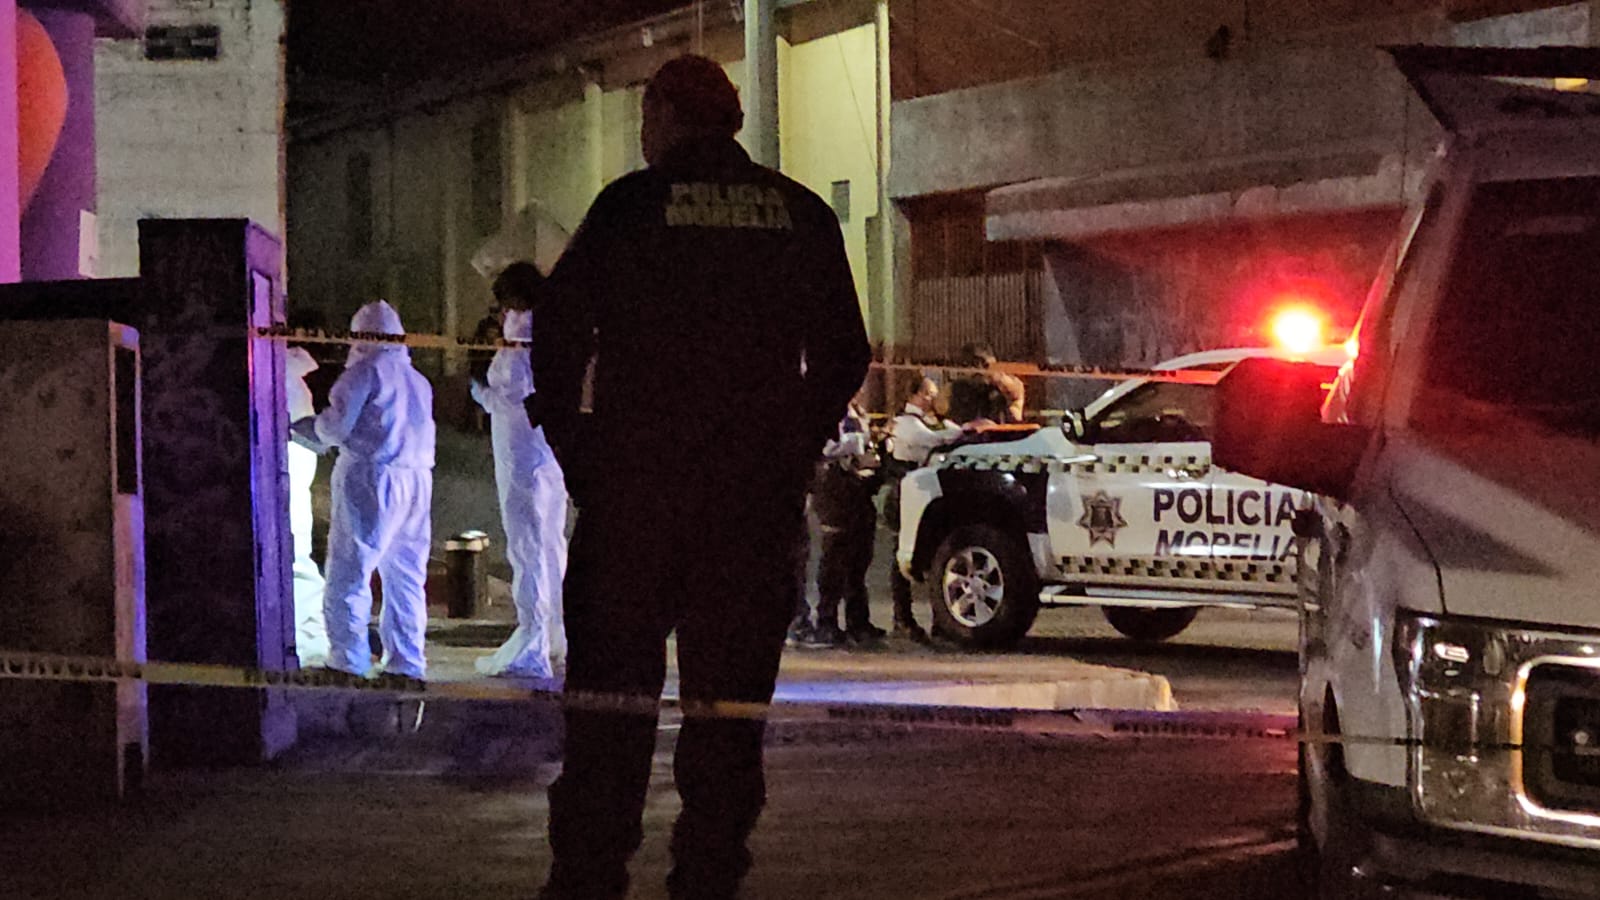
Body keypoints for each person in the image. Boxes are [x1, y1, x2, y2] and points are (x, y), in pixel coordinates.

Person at [526, 55, 870, 900]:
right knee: (727, 722)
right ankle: (708, 877)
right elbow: (845, 352)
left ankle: (590, 878)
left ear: (666, 115)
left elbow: (557, 327)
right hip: (749, 514)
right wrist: (790, 443)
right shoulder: (801, 213)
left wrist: (580, 451)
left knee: (610, 715)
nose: (643, 135)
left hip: (635, 504)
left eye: (646, 117)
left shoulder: (629, 208)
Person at [310, 300, 436, 679]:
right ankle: (406, 662)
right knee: (406, 576)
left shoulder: (363, 373)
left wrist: (310, 428)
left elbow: (335, 428)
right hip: (417, 481)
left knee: (351, 569)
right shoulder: (419, 380)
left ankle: (347, 660)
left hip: (371, 476)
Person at [472, 262, 569, 679]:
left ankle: (533, 642)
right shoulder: (551, 332)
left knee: (527, 546)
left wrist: (478, 390)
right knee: (550, 544)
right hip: (547, 452)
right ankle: (556, 634)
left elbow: (509, 399)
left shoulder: (520, 338)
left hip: (521, 454)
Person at [883, 377, 966, 642]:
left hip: (928, 493)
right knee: (901, 554)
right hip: (905, 490)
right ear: (914, 395)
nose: (933, 398)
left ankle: (940, 620)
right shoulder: (905, 423)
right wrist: (960, 432)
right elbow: (932, 439)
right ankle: (902, 618)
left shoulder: (932, 421)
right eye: (928, 393)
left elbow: (953, 432)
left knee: (936, 554)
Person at [801, 391, 885, 647]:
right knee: (834, 557)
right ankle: (826, 621)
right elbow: (828, 446)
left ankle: (857, 621)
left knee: (858, 558)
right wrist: (863, 439)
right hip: (833, 488)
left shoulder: (856, 412)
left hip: (856, 488)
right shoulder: (826, 409)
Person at [285, 346, 331, 668]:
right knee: (297, 555)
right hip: (297, 463)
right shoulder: (293, 380)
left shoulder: (281, 379)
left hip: (290, 462)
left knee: (296, 557)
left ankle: (311, 642)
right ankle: (310, 639)